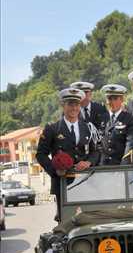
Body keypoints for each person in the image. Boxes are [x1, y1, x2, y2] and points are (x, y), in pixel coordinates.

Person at [36, 88, 100, 221]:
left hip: (85, 181)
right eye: (70, 104)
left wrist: (88, 162)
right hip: (62, 182)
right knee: (65, 222)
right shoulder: (52, 129)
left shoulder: (88, 127)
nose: (74, 108)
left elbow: (96, 151)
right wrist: (55, 170)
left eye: (77, 104)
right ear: (63, 105)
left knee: (87, 220)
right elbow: (41, 154)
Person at [99, 84, 133, 165]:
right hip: (103, 166)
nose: (112, 102)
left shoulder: (130, 119)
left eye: (115, 98)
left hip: (122, 164)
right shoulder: (101, 119)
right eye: (109, 98)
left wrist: (125, 163)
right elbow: (98, 143)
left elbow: (131, 142)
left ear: (122, 99)